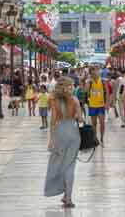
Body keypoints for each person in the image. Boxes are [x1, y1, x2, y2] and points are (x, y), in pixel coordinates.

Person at [44, 77, 84, 208]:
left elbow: (53, 121)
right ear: (68, 87)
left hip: (60, 132)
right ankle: (68, 197)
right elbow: (80, 119)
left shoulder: (54, 101)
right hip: (73, 131)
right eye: (71, 85)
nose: (73, 87)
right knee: (70, 165)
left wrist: (51, 140)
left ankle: (63, 193)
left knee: (58, 164)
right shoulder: (75, 100)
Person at [85, 66, 110, 146]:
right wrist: (88, 82)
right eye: (93, 72)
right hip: (92, 105)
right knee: (94, 123)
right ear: (91, 73)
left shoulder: (103, 81)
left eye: (97, 71)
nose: (95, 73)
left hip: (101, 105)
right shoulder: (89, 81)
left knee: (102, 122)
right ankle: (95, 138)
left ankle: (102, 138)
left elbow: (107, 93)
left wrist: (107, 103)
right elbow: (86, 91)